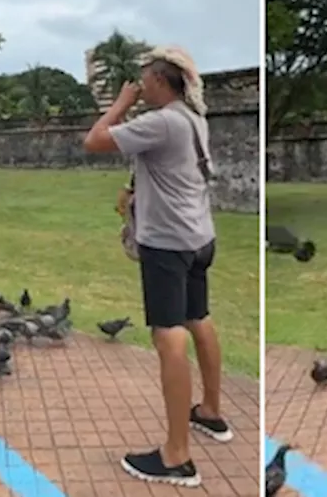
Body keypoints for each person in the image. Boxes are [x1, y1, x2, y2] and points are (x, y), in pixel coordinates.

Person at [83, 45, 230, 488]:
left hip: (168, 245)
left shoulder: (161, 120)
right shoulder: (192, 118)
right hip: (200, 237)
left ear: (162, 82)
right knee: (198, 318)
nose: (139, 86)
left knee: (168, 337)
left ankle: (177, 456)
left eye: (144, 80)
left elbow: (93, 141)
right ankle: (210, 412)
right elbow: (165, 166)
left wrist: (119, 106)